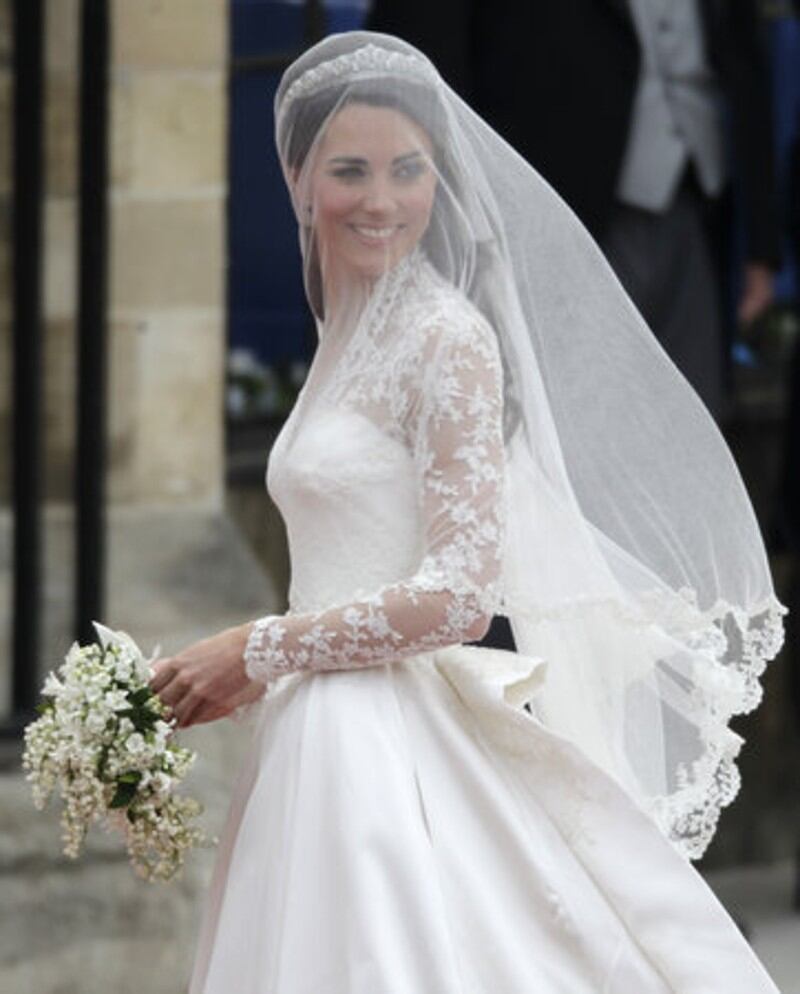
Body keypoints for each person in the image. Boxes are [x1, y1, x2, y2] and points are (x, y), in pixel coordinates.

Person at [149, 32, 788, 993]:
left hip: (392, 734)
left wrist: (256, 648)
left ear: (439, 180)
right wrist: (258, 670)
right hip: (316, 722)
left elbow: (458, 596)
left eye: (408, 170)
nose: (381, 199)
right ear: (298, 179)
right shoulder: (346, 328)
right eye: (351, 170)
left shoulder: (445, 338)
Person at [365, 0, 782, 421]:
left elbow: (741, 49)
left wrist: (760, 240)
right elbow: (421, 52)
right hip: (541, 207)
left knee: (688, 421)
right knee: (562, 421)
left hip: (699, 205)